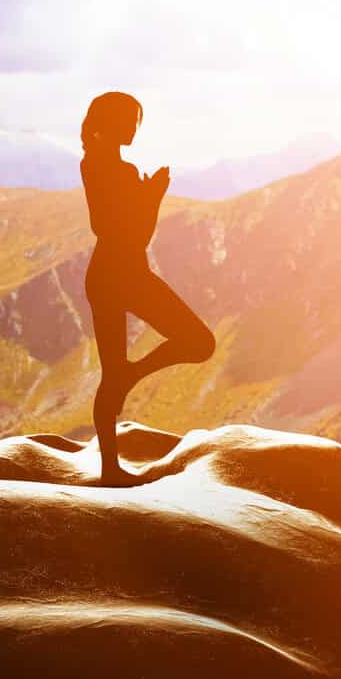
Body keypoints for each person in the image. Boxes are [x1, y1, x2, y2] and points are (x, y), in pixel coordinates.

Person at [79, 91, 215, 484]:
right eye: (129, 121)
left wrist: (145, 197)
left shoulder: (93, 164)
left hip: (107, 274)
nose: (134, 129)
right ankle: (130, 379)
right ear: (112, 122)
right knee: (199, 342)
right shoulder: (115, 171)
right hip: (122, 274)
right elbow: (132, 236)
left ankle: (110, 467)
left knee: (114, 374)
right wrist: (152, 197)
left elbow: (121, 233)